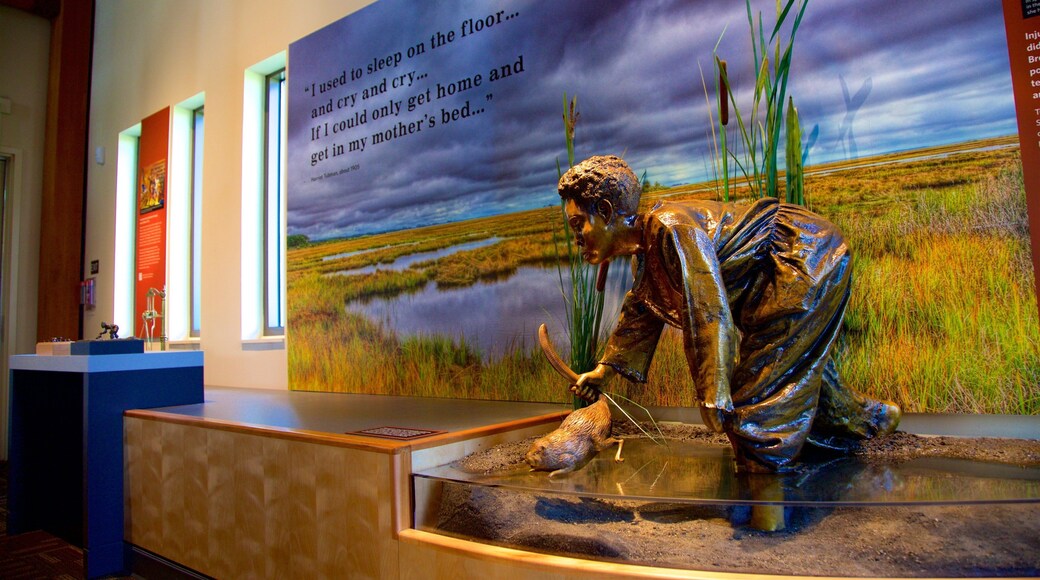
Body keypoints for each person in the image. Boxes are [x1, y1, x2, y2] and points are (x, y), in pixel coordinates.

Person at [559, 155, 900, 473]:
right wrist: (604, 372)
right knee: (794, 370)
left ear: (605, 211)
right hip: (786, 269)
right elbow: (641, 311)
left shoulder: (669, 227)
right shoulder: (647, 253)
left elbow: (706, 308)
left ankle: (767, 506)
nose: (576, 238)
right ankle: (870, 419)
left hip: (803, 255)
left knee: (758, 398)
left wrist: (714, 393)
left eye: (578, 224)